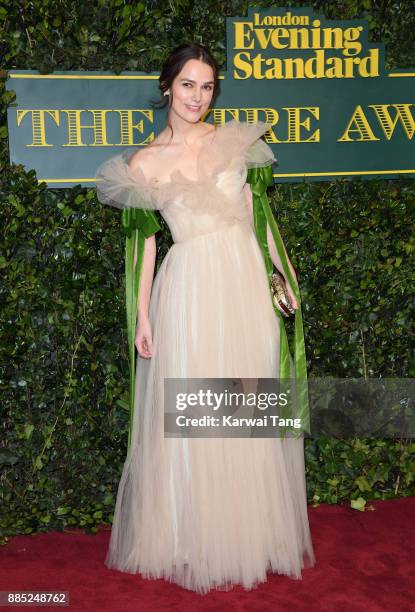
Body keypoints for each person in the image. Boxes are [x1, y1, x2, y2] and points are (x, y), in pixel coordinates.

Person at [94, 42, 315, 595]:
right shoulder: (142, 163)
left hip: (244, 281)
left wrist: (282, 276)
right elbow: (144, 245)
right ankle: (191, 536)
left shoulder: (234, 141)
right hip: (189, 286)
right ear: (168, 86)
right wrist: (142, 315)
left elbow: (261, 219)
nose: (198, 96)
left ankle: (250, 533)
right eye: (188, 84)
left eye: (208, 86)